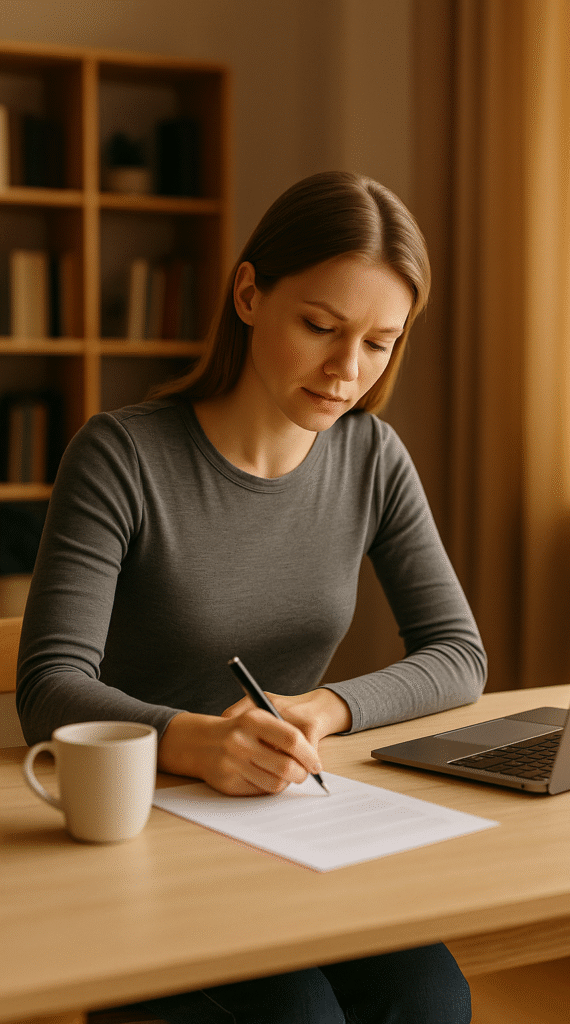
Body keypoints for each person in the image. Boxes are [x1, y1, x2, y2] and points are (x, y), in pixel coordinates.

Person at [17, 171, 486, 1024]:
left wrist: (324, 708)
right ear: (247, 293)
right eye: (319, 327)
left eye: (380, 342)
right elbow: (48, 687)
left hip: (291, 821)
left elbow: (459, 655)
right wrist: (199, 743)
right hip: (141, 834)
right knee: (296, 1016)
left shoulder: (370, 457)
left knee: (431, 998)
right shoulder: (121, 456)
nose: (347, 371)